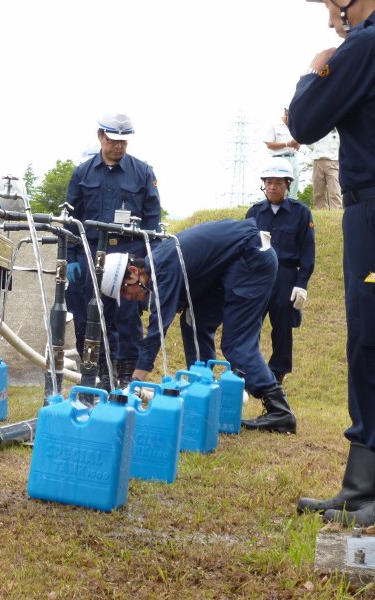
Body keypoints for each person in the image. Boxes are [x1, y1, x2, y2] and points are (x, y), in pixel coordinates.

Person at [288, 0, 375, 526]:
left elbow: (305, 119)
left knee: (370, 338)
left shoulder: (363, 46)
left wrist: (315, 68)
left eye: (330, 5)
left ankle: (366, 489)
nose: (329, 20)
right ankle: (362, 486)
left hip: (372, 212)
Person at [101, 218, 297, 434]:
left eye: (124, 290)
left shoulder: (162, 268)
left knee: (236, 344)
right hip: (233, 263)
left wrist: (136, 382)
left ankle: (279, 410)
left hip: (251, 258)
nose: (128, 297)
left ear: (134, 271)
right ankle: (204, 391)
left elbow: (158, 329)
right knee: (193, 322)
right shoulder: (159, 263)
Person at [66, 112, 161, 389]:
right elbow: (71, 219)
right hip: (91, 252)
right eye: (113, 140)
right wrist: (72, 257)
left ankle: (126, 377)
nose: (118, 146)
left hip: (129, 252)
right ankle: (97, 373)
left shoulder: (142, 172)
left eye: (123, 141)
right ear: (100, 137)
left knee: (127, 316)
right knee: (91, 314)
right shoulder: (83, 173)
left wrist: (147, 260)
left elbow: (152, 219)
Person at [245, 158, 316, 385]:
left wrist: (301, 283)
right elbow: (243, 248)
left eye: (278, 182)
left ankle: (277, 374)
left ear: (287, 185)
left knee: (283, 327)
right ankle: (246, 369)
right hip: (257, 276)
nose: (273, 187)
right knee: (250, 324)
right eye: (269, 182)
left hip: (285, 275)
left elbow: (307, 250)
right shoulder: (254, 213)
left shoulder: (301, 213)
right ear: (263, 184)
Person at [263, 108, 301, 198]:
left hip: (293, 158)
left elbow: (299, 142)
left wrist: (297, 144)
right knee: (278, 184)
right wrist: (287, 144)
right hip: (278, 159)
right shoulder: (274, 125)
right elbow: (269, 144)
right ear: (286, 114)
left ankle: (292, 208)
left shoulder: (296, 125)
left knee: (293, 185)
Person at [307, 128, 342, 209]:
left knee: (335, 190)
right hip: (318, 160)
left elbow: (340, 143)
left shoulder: (336, 129)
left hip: (333, 160)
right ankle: (321, 211)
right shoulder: (316, 127)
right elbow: (309, 143)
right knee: (318, 191)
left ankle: (337, 211)